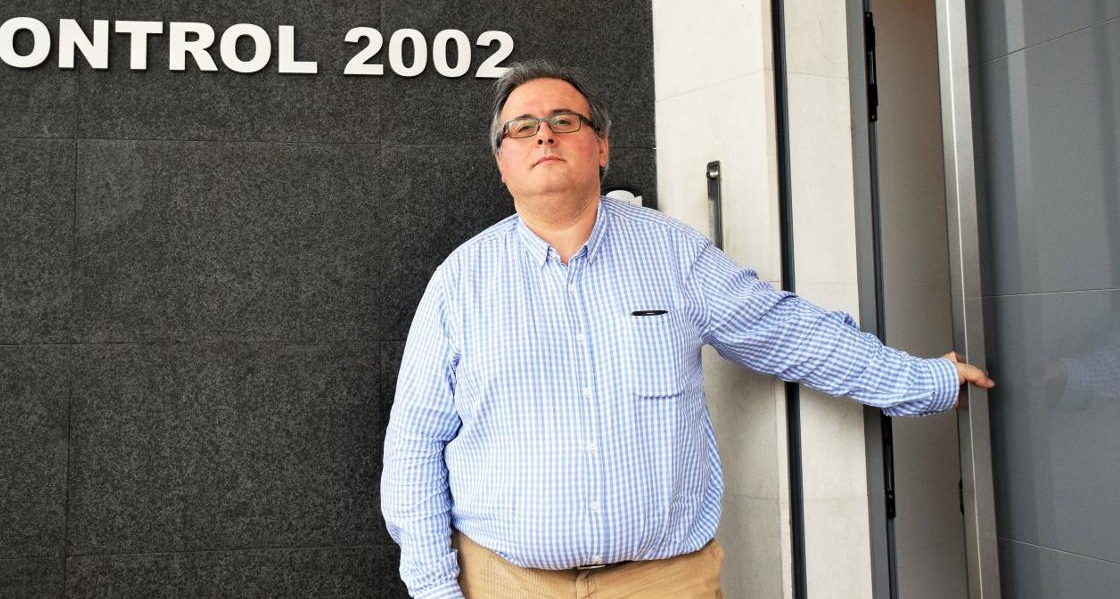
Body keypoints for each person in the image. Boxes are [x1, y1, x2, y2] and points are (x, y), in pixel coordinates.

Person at [381, 60, 994, 599]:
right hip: (504, 582)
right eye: (523, 126)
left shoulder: (674, 256)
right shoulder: (460, 283)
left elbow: (785, 330)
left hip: (665, 581)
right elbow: (413, 445)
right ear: (502, 163)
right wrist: (437, 589)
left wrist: (924, 380)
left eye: (566, 120)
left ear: (602, 148)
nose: (544, 133)